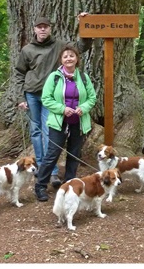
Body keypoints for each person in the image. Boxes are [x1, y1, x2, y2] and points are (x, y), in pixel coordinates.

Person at [14, 14, 91, 188]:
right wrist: (20, 97)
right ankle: (40, 168)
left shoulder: (60, 46)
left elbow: (81, 47)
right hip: (32, 94)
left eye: (45, 26)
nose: (42, 29)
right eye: (39, 26)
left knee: (50, 133)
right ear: (34, 29)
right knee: (35, 132)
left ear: (50, 29)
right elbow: (19, 73)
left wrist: (84, 26)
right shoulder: (27, 50)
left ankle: (52, 172)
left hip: (54, 98)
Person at [34, 45, 97, 201]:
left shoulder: (83, 77)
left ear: (77, 59)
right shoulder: (54, 77)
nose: (69, 58)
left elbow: (92, 98)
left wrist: (83, 107)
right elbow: (46, 99)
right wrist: (63, 109)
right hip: (58, 122)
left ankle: (69, 184)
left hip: (78, 122)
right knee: (52, 154)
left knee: (74, 154)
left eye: (71, 56)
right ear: (61, 60)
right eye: (65, 56)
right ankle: (40, 186)